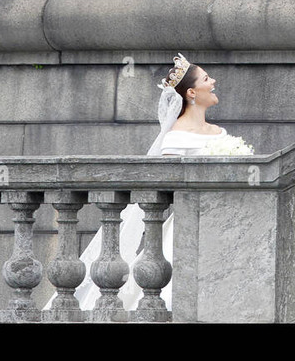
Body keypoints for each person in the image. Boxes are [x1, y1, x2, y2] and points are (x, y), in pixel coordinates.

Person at [46, 54, 245, 313]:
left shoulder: (220, 133)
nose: (214, 81)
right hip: (190, 225)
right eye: (207, 78)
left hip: (227, 222)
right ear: (192, 93)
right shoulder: (174, 141)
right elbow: (169, 189)